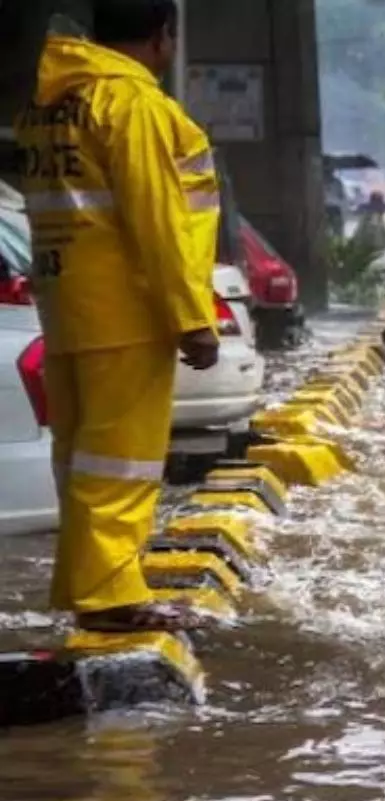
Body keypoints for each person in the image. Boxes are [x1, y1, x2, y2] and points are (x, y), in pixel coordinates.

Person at [16, 0, 222, 632]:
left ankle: (91, 590)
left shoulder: (50, 104)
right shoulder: (133, 106)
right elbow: (157, 222)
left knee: (82, 463)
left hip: (67, 307)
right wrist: (191, 315)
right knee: (121, 466)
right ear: (164, 37)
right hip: (126, 313)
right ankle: (110, 599)